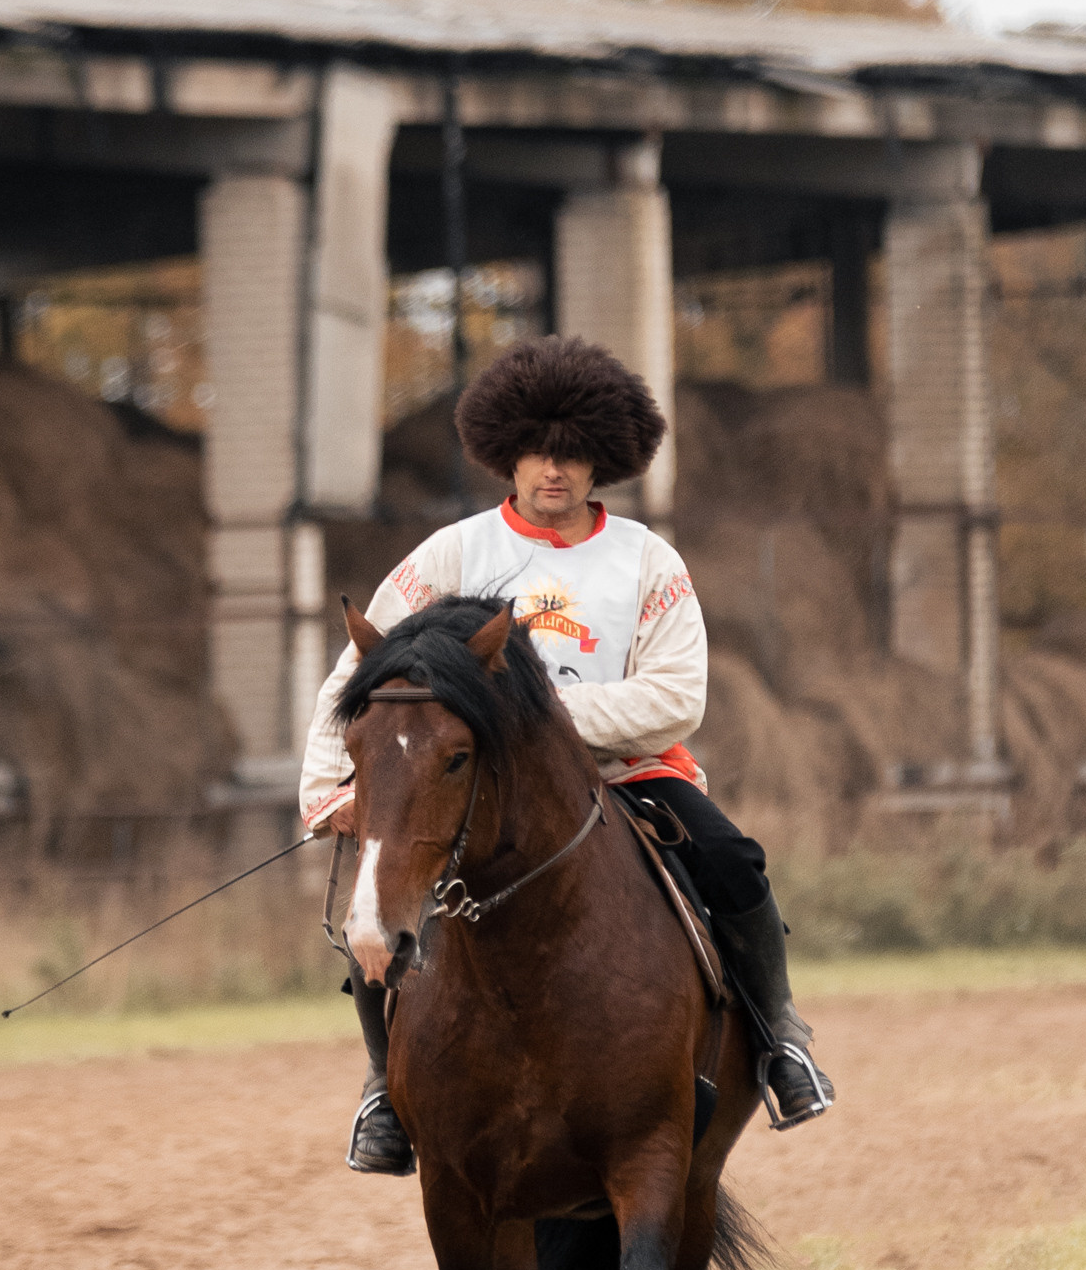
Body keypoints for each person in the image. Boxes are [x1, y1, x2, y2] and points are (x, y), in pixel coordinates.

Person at [299, 333, 835, 1174]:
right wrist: (326, 783)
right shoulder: (450, 555)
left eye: (577, 457)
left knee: (734, 861)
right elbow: (363, 672)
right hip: (469, 789)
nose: (556, 472)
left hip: (628, 779)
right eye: (540, 454)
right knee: (379, 897)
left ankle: (779, 1041)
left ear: (604, 465)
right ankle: (382, 1087)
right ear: (508, 455)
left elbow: (675, 697)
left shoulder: (647, 563)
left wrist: (536, 721)